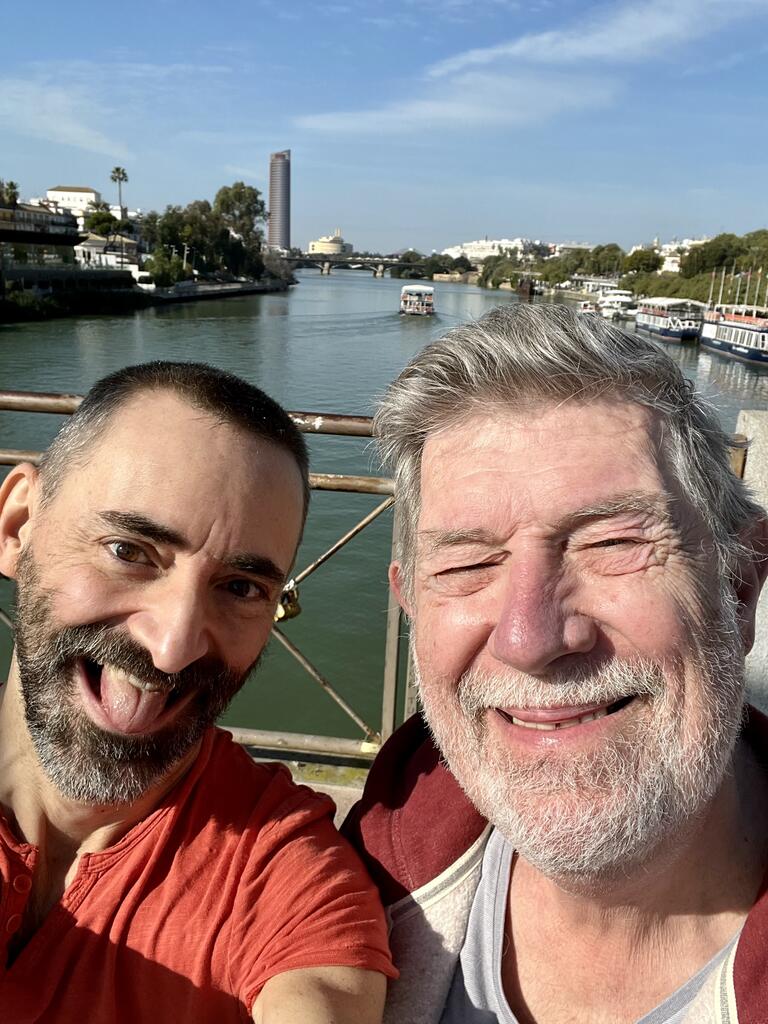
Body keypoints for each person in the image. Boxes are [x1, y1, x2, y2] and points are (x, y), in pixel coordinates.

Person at [344, 305, 768, 1024]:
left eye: (611, 545)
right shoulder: (335, 890)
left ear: (740, 584)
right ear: (410, 605)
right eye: (470, 563)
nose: (529, 636)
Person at [0, 361, 394, 1023]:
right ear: (16, 526)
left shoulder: (278, 870)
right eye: (130, 550)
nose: (174, 645)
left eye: (241, 588)